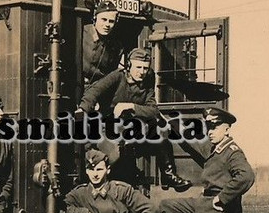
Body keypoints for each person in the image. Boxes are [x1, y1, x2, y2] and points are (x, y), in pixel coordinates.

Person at [77, 47, 191, 192]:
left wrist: (130, 106)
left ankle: (168, 175)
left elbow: (152, 109)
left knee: (160, 129)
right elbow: (94, 92)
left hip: (134, 128)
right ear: (129, 66)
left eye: (145, 68)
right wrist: (82, 110)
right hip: (110, 129)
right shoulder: (117, 76)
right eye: (138, 67)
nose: (142, 72)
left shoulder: (149, 77)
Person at [82, 1, 124, 86]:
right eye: (104, 20)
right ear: (95, 18)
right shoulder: (82, 33)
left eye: (111, 21)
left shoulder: (116, 46)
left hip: (98, 89)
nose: (107, 25)